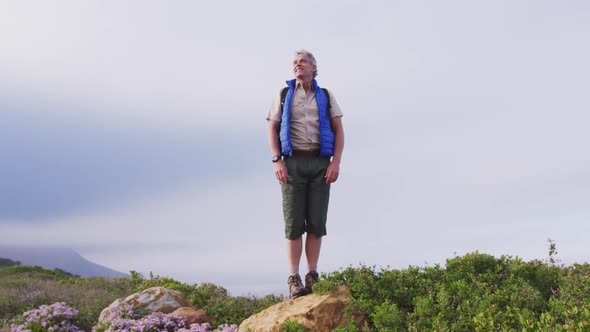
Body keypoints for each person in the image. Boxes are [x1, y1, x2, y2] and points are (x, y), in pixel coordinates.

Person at [266, 50, 345, 298]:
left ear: (314, 67)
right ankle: (294, 278)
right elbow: (272, 127)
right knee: (293, 223)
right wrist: (277, 161)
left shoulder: (326, 95)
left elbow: (339, 129)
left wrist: (336, 163)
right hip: (292, 163)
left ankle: (312, 275)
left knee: (316, 222)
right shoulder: (283, 94)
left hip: (320, 163)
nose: (297, 65)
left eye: (302, 62)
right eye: (294, 63)